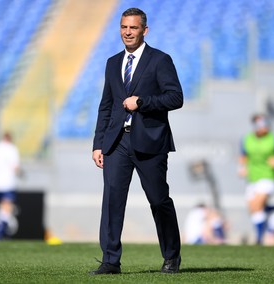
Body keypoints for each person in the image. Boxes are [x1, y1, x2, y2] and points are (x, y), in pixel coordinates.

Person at [91, 8, 183, 275]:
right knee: (112, 201)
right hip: (116, 142)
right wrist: (98, 143)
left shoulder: (160, 60)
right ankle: (110, 261)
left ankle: (171, 256)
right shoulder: (112, 62)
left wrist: (141, 102)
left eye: (132, 28)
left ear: (145, 30)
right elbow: (105, 106)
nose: (127, 32)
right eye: (123, 27)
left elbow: (175, 98)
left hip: (150, 142)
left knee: (158, 200)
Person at [238, 113, 274, 245]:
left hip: (268, 176)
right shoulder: (247, 139)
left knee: (257, 205)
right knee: (253, 208)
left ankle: (260, 238)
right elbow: (243, 156)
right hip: (252, 178)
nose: (264, 127)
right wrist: (242, 167)